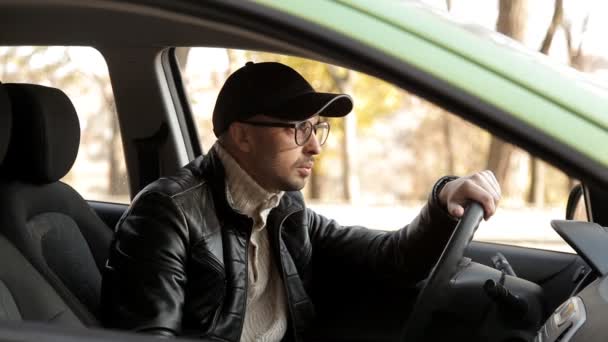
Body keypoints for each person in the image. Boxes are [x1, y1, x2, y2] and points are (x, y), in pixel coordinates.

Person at [101, 61, 501, 342]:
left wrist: (443, 197)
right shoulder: (167, 212)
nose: (314, 146)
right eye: (298, 129)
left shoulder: (283, 208)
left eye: (316, 128)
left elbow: (389, 258)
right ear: (242, 137)